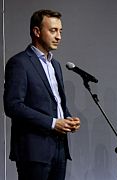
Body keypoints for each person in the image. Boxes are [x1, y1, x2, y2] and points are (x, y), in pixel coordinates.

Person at [3, 9, 81, 180]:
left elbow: (55, 103)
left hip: (59, 148)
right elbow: (13, 106)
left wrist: (67, 118)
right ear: (37, 32)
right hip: (34, 151)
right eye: (53, 30)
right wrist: (53, 123)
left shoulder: (56, 65)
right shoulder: (19, 63)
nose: (59, 36)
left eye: (60, 31)